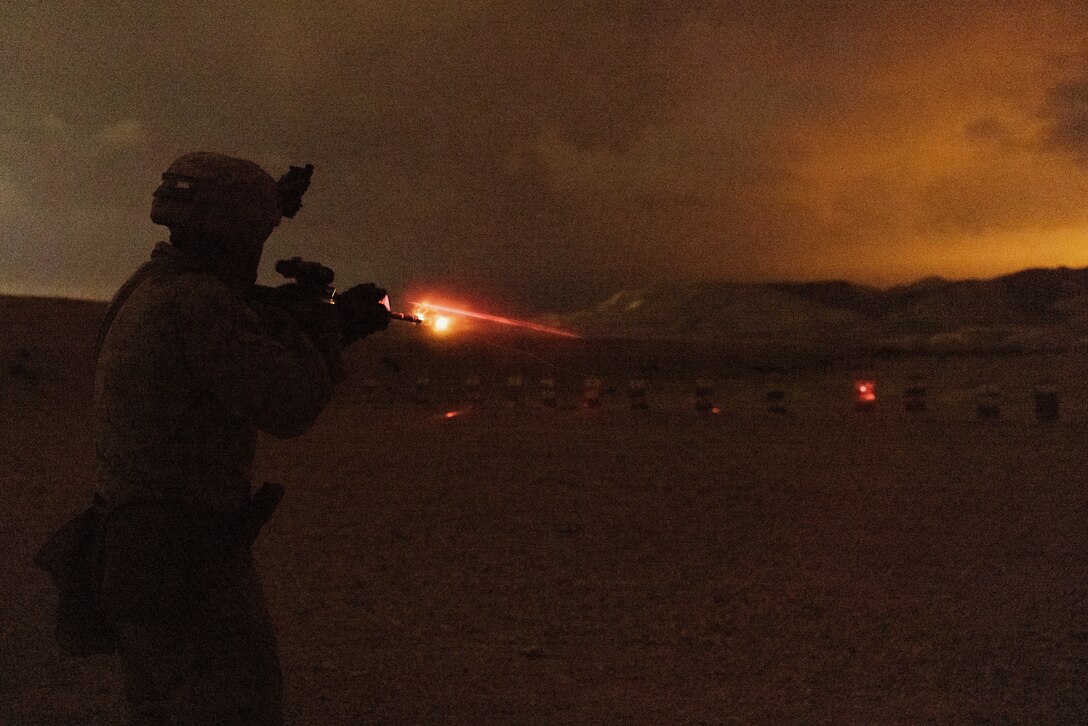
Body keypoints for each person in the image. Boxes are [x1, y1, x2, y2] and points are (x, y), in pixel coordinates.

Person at [88, 151, 388, 724]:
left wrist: (306, 319)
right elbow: (290, 404)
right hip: (183, 562)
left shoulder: (153, 286)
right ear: (234, 232)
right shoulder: (196, 303)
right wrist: (330, 328)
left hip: (137, 552)